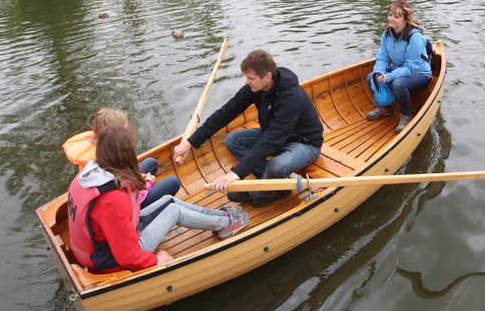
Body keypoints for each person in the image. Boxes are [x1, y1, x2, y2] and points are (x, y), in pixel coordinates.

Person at [68, 126, 249, 273]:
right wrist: (156, 260)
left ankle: (222, 219)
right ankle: (225, 225)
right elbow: (128, 257)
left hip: (99, 249)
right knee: (174, 211)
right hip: (107, 260)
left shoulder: (85, 177)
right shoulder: (112, 200)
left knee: (169, 201)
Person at [173, 49, 324, 207]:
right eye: (246, 77)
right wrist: (189, 143)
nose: (247, 82)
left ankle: (262, 191)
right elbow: (225, 113)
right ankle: (277, 183)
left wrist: (236, 174)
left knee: (276, 166)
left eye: (251, 78)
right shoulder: (255, 88)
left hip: (305, 144)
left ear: (267, 77)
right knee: (232, 140)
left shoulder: (291, 98)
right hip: (276, 138)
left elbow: (271, 141)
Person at [63, 108, 180, 209]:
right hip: (127, 205)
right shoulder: (110, 160)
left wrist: (137, 178)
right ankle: (149, 216)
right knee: (173, 182)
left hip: (120, 188)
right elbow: (134, 196)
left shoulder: (102, 151)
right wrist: (148, 183)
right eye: (126, 129)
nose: (128, 133)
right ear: (115, 135)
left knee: (151, 162)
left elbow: (126, 180)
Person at [365, 0, 433, 133]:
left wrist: (388, 76)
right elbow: (382, 58)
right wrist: (379, 73)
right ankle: (386, 109)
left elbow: (410, 68)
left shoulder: (415, 37)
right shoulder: (386, 34)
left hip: (420, 73)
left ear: (405, 19)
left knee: (398, 84)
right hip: (399, 70)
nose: (391, 19)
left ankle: (406, 114)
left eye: (396, 16)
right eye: (390, 15)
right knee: (370, 78)